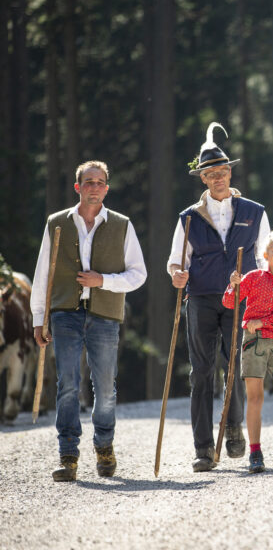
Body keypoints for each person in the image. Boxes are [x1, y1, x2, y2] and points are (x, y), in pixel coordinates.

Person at [31, 160, 147, 482]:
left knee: (105, 387)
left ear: (106, 189)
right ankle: (68, 454)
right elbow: (43, 273)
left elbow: (139, 274)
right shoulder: (57, 223)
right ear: (77, 187)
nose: (94, 187)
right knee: (68, 384)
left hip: (104, 315)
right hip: (64, 313)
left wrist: (103, 281)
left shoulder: (122, 225)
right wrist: (39, 319)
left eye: (99, 182)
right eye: (88, 182)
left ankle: (104, 446)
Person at [168, 122, 270, 472]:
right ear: (203, 178)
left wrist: (263, 294)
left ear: (230, 172)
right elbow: (176, 260)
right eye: (211, 174)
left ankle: (233, 426)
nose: (218, 178)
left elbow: (266, 257)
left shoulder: (254, 211)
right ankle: (202, 448)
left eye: (223, 171)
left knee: (236, 366)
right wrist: (176, 274)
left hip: (241, 299)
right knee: (201, 372)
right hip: (200, 298)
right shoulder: (188, 217)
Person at [223, 229, 273, 473]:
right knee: (255, 397)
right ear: (266, 254)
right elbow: (229, 303)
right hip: (254, 343)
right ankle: (255, 451)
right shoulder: (253, 277)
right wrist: (233, 285)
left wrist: (263, 321)